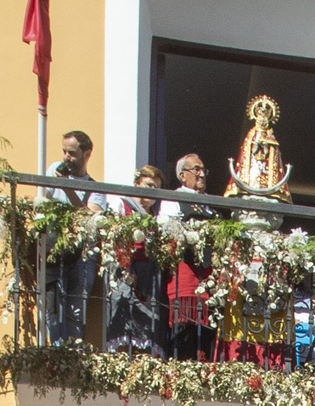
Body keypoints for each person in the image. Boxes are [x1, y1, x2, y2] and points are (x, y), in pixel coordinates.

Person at [41, 130, 107, 345]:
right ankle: (56, 352)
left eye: (71, 153)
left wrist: (67, 189)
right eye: (64, 152)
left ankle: (74, 355)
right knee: (51, 306)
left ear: (86, 154)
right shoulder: (54, 170)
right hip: (53, 251)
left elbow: (90, 218)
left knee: (76, 310)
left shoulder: (95, 188)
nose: (66, 157)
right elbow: (41, 202)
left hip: (81, 257)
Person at [158, 155, 216, 361]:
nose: (201, 174)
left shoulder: (210, 204)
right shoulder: (173, 199)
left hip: (207, 277)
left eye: (203, 170)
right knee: (184, 327)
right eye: (196, 169)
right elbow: (169, 231)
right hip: (185, 273)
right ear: (182, 176)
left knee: (207, 329)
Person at [104, 166, 166, 356]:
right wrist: (126, 267)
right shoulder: (122, 206)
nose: (152, 191)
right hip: (126, 271)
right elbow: (114, 237)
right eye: (148, 185)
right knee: (124, 320)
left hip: (150, 275)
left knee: (148, 326)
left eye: (156, 188)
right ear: (137, 184)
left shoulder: (157, 217)